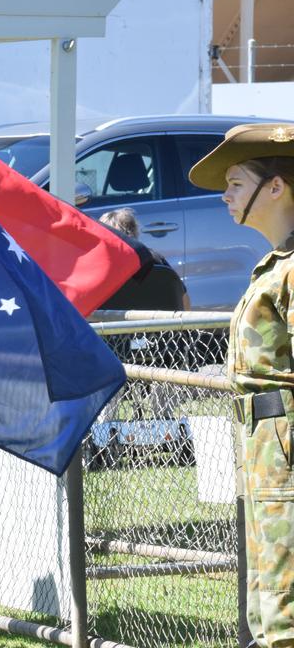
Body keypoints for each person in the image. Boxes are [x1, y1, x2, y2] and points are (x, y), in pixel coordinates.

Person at [188, 123, 294, 648]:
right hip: (266, 450)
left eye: (236, 182)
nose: (225, 195)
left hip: (285, 452)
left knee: (285, 612)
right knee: (267, 600)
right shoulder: (275, 265)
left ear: (276, 187)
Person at [96, 207, 190, 311]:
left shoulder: (97, 268)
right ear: (134, 231)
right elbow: (183, 298)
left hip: (114, 325)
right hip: (156, 324)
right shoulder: (154, 258)